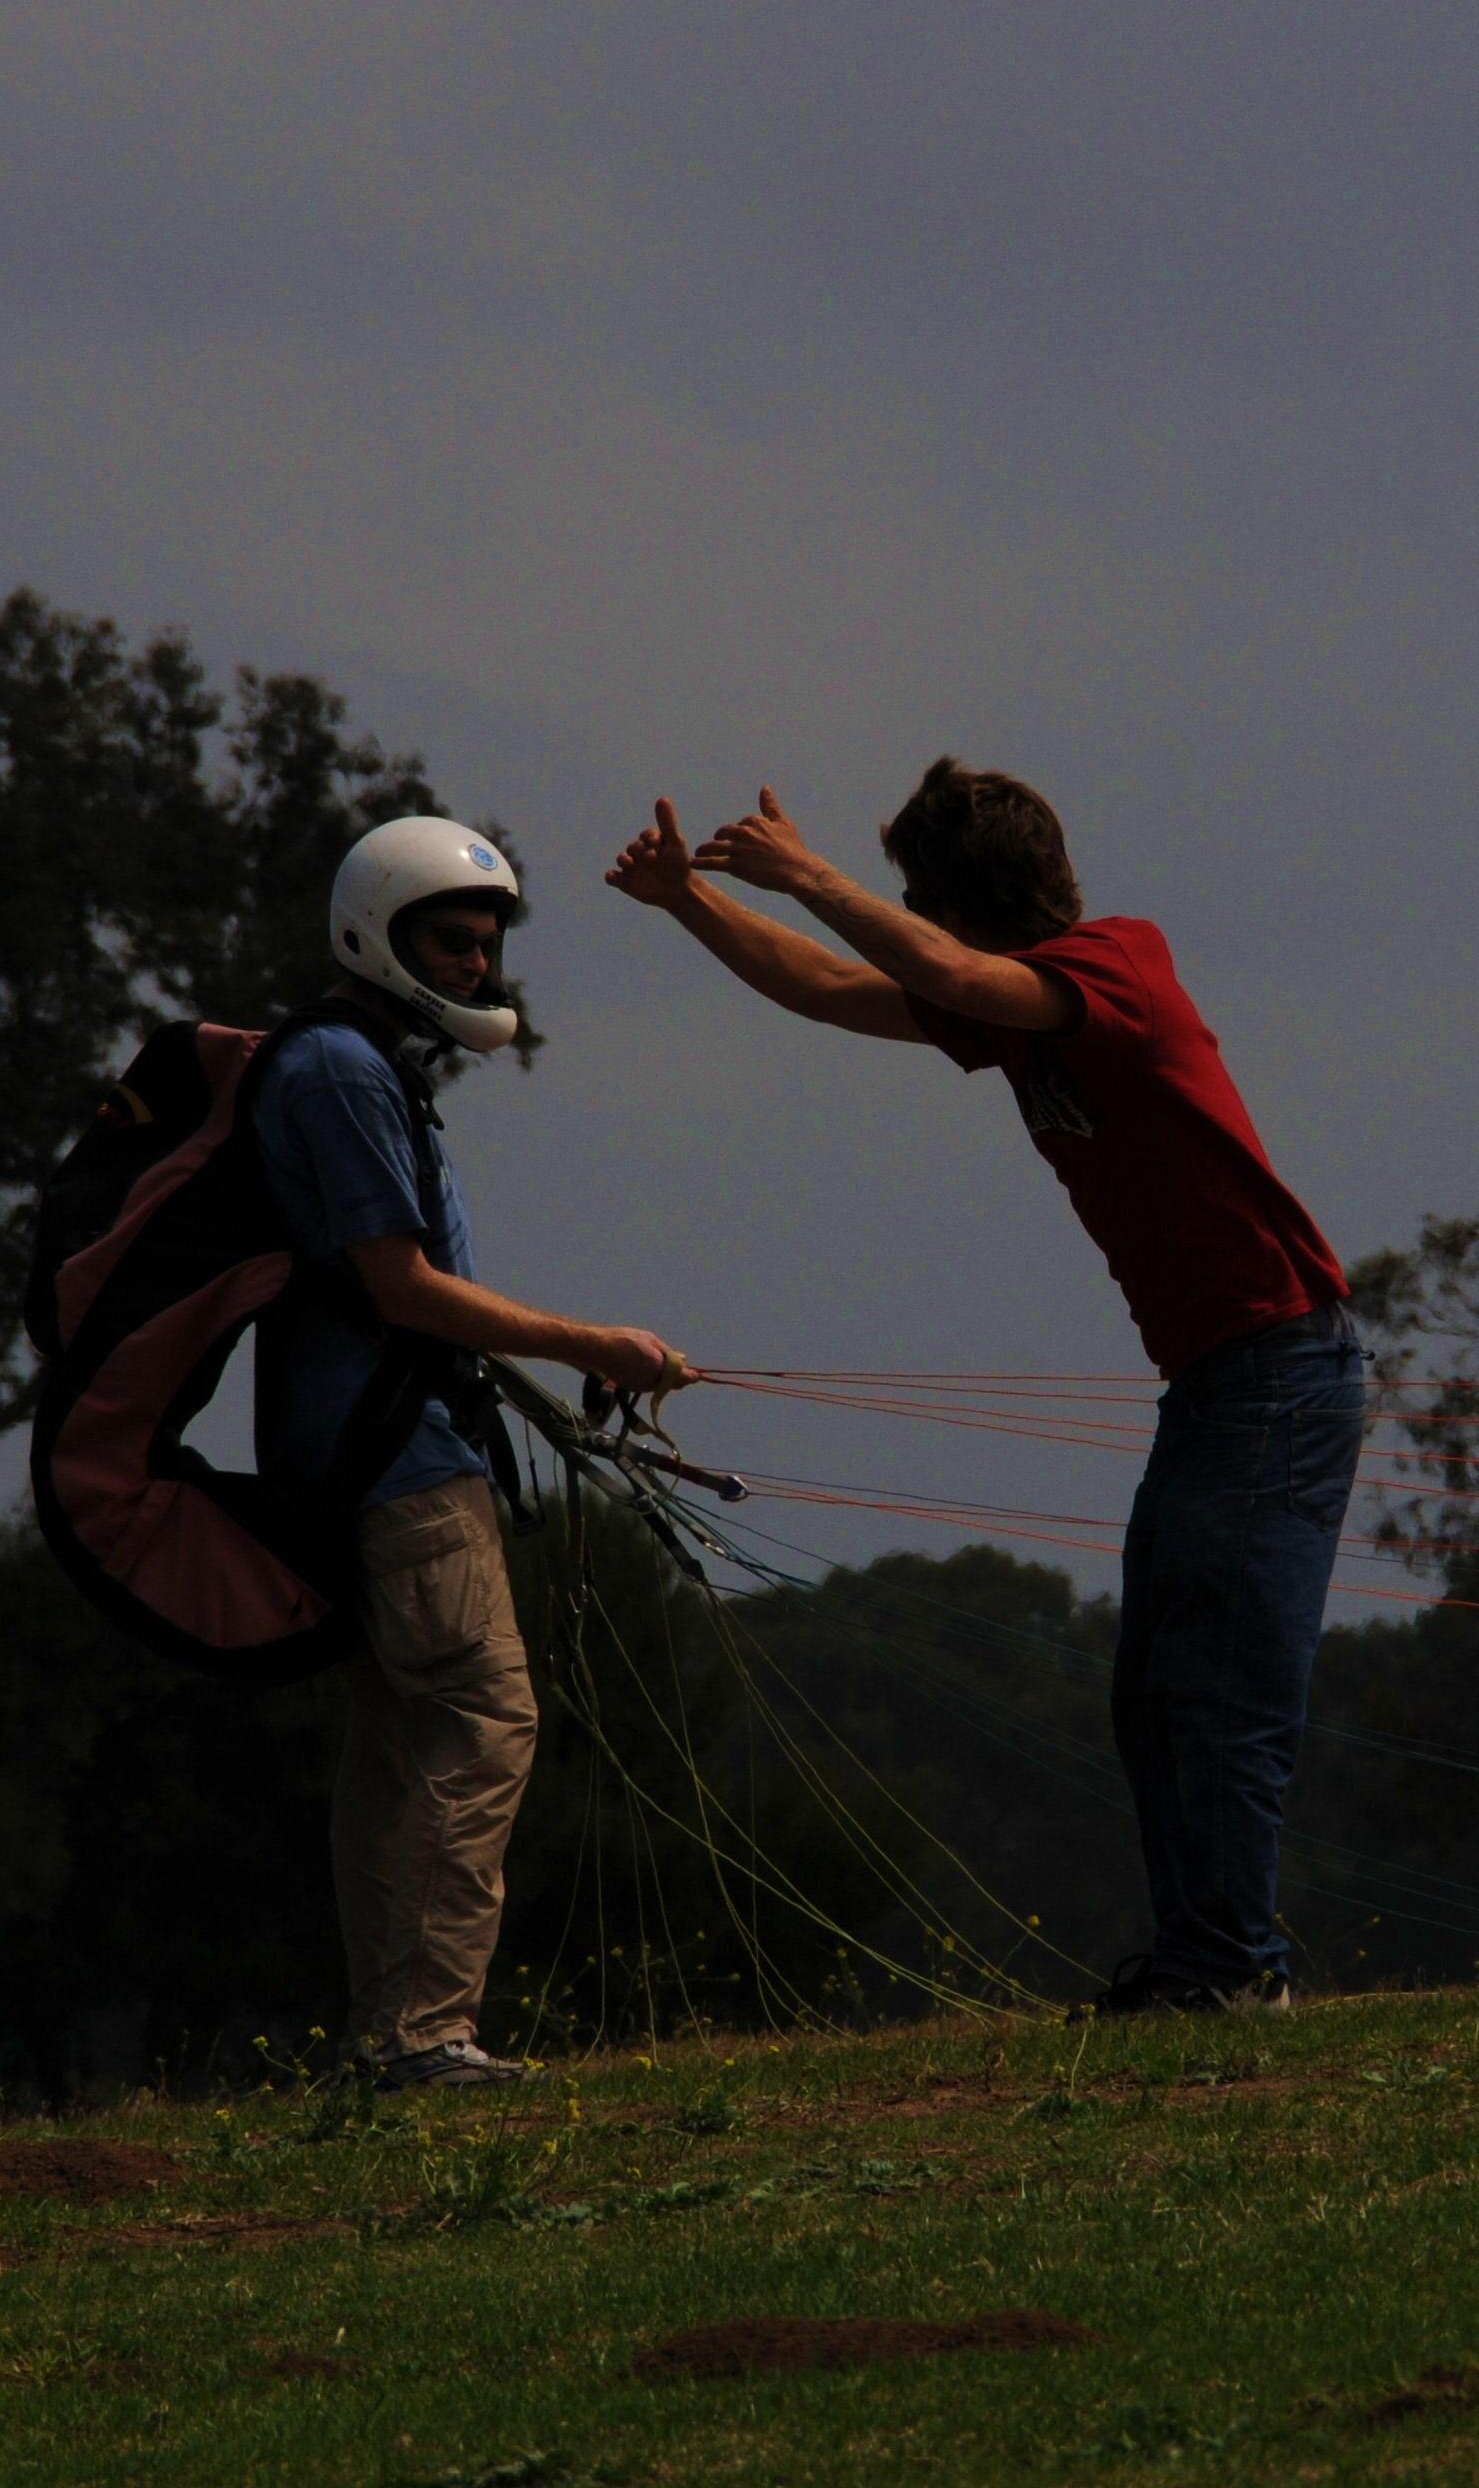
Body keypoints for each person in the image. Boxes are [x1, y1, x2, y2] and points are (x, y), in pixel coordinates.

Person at [608, 764, 1361, 2014]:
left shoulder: (1116, 963)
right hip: (1220, 1385)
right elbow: (841, 989)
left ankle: (1232, 1971)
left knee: (1220, 1688)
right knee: (1157, 1694)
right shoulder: (1016, 1011)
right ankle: (1203, 1963)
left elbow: (946, 974)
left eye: (916, 897)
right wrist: (693, 903)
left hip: (1282, 1370)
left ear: (958, 903)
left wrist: (810, 877)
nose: (908, 915)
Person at [261, 815, 685, 2089]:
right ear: (376, 932)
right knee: (483, 1719)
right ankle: (426, 2034)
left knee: (398, 1741)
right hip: (395, 1465)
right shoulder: (340, 1070)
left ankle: (387, 2036)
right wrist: (582, 1342)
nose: (474, 966)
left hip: (376, 1450)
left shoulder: (361, 1065)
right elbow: (402, 1287)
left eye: (485, 944)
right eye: (449, 940)